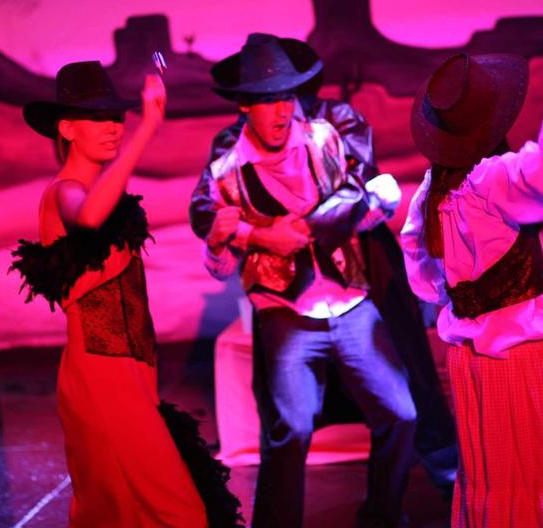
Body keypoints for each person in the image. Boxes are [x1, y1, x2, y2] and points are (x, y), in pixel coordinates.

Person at [190, 33, 457, 528]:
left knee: (402, 411)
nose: (280, 111)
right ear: (244, 106)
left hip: (352, 299)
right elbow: (209, 223)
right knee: (289, 428)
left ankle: (382, 515)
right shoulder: (229, 159)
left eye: (286, 97)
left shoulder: (328, 131)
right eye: (267, 100)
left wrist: (300, 229)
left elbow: (362, 191)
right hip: (285, 310)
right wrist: (256, 236)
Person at [10, 61, 242, 527]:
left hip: (132, 371)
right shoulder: (65, 192)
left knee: (118, 510)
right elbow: (88, 218)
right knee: (177, 510)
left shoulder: (102, 191)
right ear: (67, 128)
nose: (113, 128)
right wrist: (147, 128)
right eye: (99, 119)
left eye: (117, 117)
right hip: (99, 375)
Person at [400, 23, 543, 526]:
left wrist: (461, 298)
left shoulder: (433, 191)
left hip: (471, 363)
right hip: (516, 357)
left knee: (500, 481)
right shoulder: (491, 180)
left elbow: (422, 270)